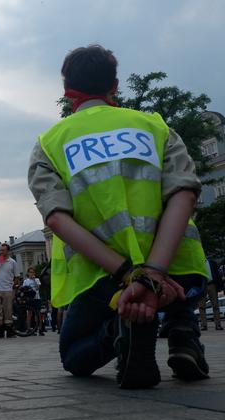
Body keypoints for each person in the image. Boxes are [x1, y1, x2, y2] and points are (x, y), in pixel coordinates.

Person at [28, 44, 210, 388]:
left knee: (75, 356)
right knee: (183, 278)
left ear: (68, 92)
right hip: (174, 269)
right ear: (114, 85)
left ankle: (120, 329)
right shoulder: (155, 127)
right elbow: (184, 193)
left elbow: (56, 220)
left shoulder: (50, 143)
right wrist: (153, 274)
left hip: (105, 277)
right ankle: (183, 332)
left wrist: (131, 275)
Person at [0, 243, 17, 338]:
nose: (1, 252)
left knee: (8, 310)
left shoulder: (12, 262)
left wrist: (14, 289)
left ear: (7, 251)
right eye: (0, 250)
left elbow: (16, 277)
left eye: (3, 250)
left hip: (8, 289)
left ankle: (9, 331)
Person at [198, 258, 223, 331]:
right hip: (202, 285)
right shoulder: (198, 263)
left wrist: (219, 286)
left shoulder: (212, 263)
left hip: (212, 284)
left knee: (215, 305)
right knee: (201, 306)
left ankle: (218, 325)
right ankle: (204, 325)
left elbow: (217, 274)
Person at [22, 267, 44, 336]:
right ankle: (29, 329)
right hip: (30, 299)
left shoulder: (37, 280)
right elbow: (24, 289)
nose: (32, 273)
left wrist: (34, 280)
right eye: (30, 272)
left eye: (33, 272)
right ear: (28, 273)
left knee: (38, 314)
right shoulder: (26, 281)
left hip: (37, 298)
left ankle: (40, 329)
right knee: (29, 314)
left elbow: (38, 288)